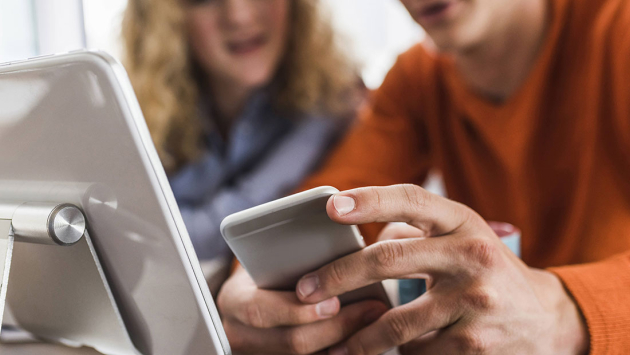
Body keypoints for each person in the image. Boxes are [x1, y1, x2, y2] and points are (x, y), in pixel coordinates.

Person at [217, 0, 630, 353]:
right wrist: (253, 288)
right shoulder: (417, 80)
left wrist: (565, 313)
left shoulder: (617, 32)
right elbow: (321, 204)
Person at [121, 0, 361, 275]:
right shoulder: (140, 109)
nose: (240, 16)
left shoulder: (329, 98)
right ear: (166, 21)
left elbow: (229, 226)